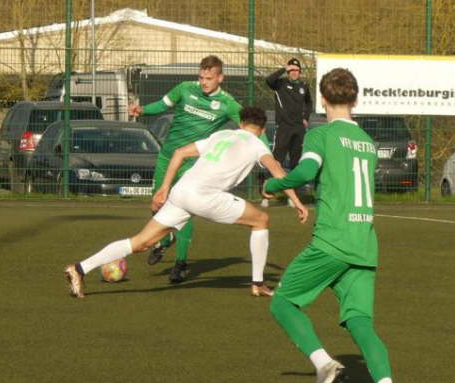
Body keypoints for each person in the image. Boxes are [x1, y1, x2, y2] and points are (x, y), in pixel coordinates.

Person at [262, 68, 401, 383]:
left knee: (283, 302)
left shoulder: (321, 136)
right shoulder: (367, 142)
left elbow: (306, 173)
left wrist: (275, 186)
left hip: (332, 240)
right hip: (364, 245)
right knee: (360, 322)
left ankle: (324, 364)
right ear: (355, 100)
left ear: (322, 100)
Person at [65, 107, 308, 299]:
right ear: (262, 129)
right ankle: (258, 284)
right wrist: (296, 201)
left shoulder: (221, 134)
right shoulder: (257, 144)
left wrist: (164, 187)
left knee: (141, 242)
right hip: (205, 196)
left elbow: (180, 152)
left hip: (181, 192)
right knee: (261, 220)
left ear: (240, 123)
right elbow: (278, 171)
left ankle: (79, 268)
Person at [128, 55, 243, 284]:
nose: (204, 82)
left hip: (192, 163)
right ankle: (166, 238)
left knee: (184, 205)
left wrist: (263, 149)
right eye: (201, 77)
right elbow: (162, 105)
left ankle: (180, 263)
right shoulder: (184, 89)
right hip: (167, 156)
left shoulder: (228, 103)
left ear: (221, 78)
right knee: (157, 203)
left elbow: (249, 126)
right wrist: (142, 110)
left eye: (209, 78)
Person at [263, 57, 313, 208]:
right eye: (292, 70)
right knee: (276, 161)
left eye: (297, 70)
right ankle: (266, 194)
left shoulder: (304, 86)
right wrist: (284, 69)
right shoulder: (280, 84)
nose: (294, 73)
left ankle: (293, 196)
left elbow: (309, 103)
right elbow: (269, 80)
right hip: (284, 127)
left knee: (296, 163)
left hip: (298, 128)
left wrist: (305, 117)